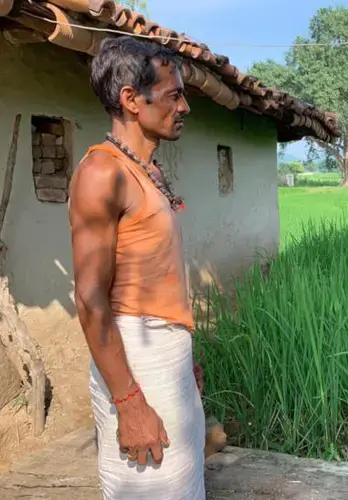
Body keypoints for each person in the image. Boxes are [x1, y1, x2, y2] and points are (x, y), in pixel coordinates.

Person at [68, 35, 205, 499]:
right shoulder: (101, 173)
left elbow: (156, 275)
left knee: (182, 489)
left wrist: (185, 358)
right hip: (136, 362)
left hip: (164, 359)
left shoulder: (146, 172)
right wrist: (128, 403)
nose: (184, 107)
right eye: (173, 95)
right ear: (131, 99)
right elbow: (89, 299)